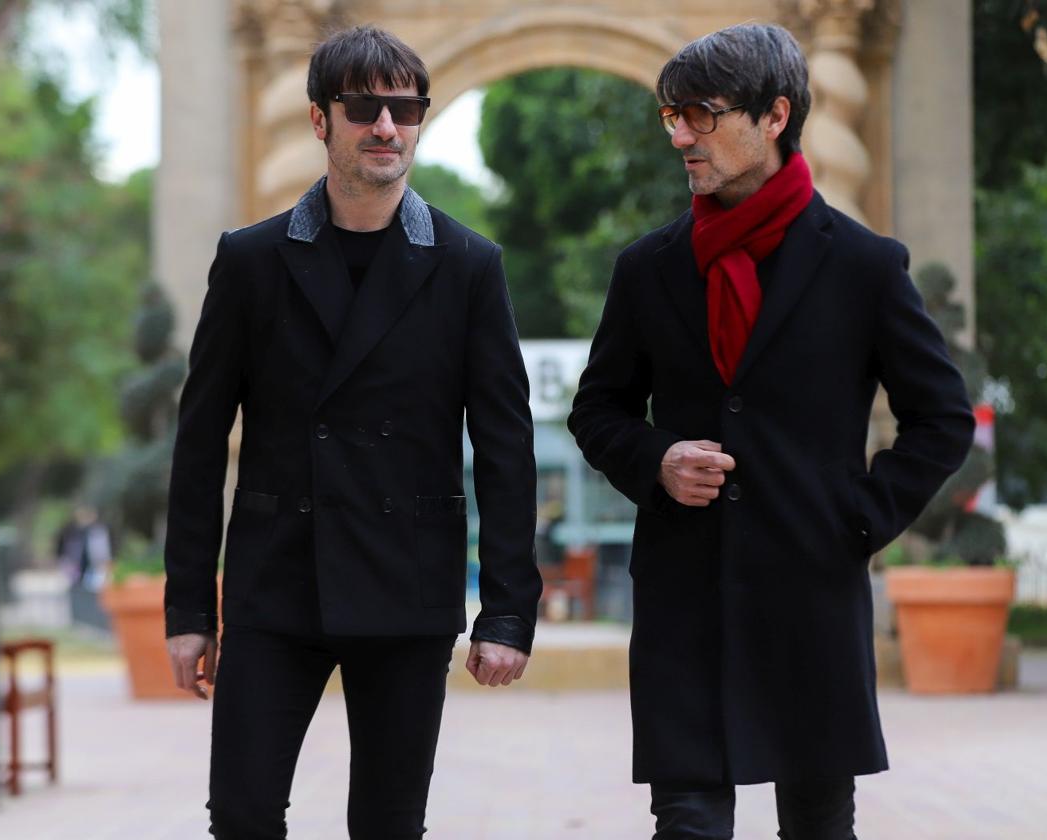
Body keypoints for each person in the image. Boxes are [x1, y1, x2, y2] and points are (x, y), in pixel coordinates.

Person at [567, 24, 974, 840]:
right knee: (686, 823)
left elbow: (944, 417)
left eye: (701, 114)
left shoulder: (864, 265)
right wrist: (656, 459)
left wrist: (854, 519)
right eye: (670, 115)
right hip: (685, 594)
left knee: (820, 826)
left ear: (774, 115)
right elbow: (597, 409)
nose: (680, 134)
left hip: (809, 595)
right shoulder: (647, 268)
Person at [162, 25, 541, 839]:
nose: (386, 126)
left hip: (408, 583)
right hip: (276, 585)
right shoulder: (251, 260)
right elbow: (199, 445)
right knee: (242, 813)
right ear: (319, 121)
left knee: (390, 823)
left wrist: (508, 610)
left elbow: (506, 447)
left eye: (405, 108)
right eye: (364, 106)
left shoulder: (469, 265)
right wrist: (188, 606)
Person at [55, 504, 112, 631]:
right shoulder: (71, 531)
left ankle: (94, 621)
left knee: (94, 592)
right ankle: (78, 620)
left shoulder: (98, 530)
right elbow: (62, 548)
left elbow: (103, 550)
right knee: (77, 592)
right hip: (75, 567)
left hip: (94, 566)